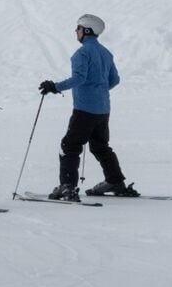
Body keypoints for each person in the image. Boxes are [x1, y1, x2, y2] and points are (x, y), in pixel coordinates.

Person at [37, 13, 137, 200]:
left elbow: (79, 78)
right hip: (103, 109)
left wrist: (54, 87)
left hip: (84, 109)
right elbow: (115, 80)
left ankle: (68, 187)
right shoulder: (106, 53)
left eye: (78, 28)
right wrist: (98, 90)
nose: (76, 31)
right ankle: (115, 181)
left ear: (86, 30)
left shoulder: (81, 53)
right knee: (100, 146)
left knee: (70, 145)